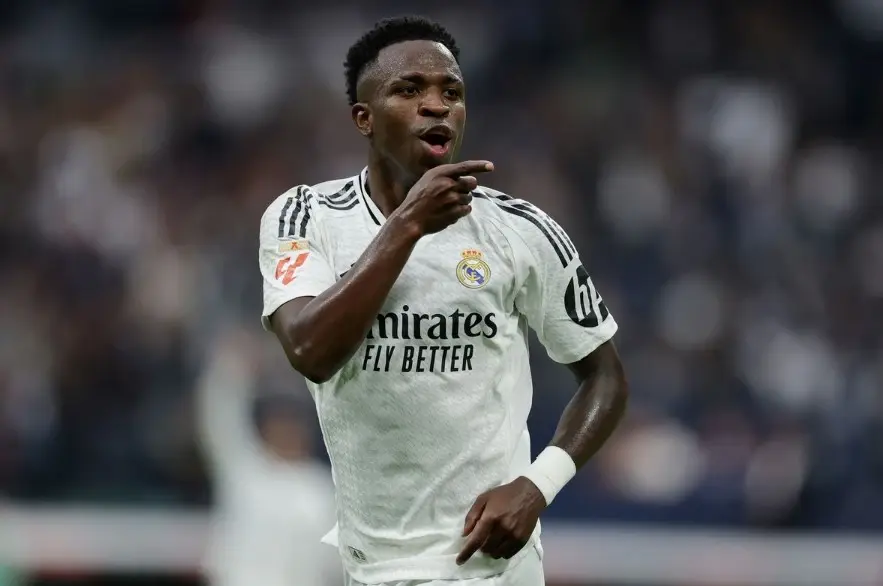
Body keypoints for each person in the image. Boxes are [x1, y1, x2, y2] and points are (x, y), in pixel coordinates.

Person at [258, 15, 629, 586]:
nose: (437, 105)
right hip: (371, 564)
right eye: (409, 90)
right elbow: (310, 350)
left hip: (491, 566)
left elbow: (605, 376)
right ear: (363, 118)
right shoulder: (307, 217)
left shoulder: (520, 230)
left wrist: (538, 485)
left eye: (451, 93)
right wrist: (408, 225)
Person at [197, 329, 341, 586]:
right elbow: (218, 415)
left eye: (292, 422)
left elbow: (336, 565)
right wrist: (232, 364)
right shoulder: (246, 469)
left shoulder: (323, 489)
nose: (285, 431)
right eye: (278, 421)